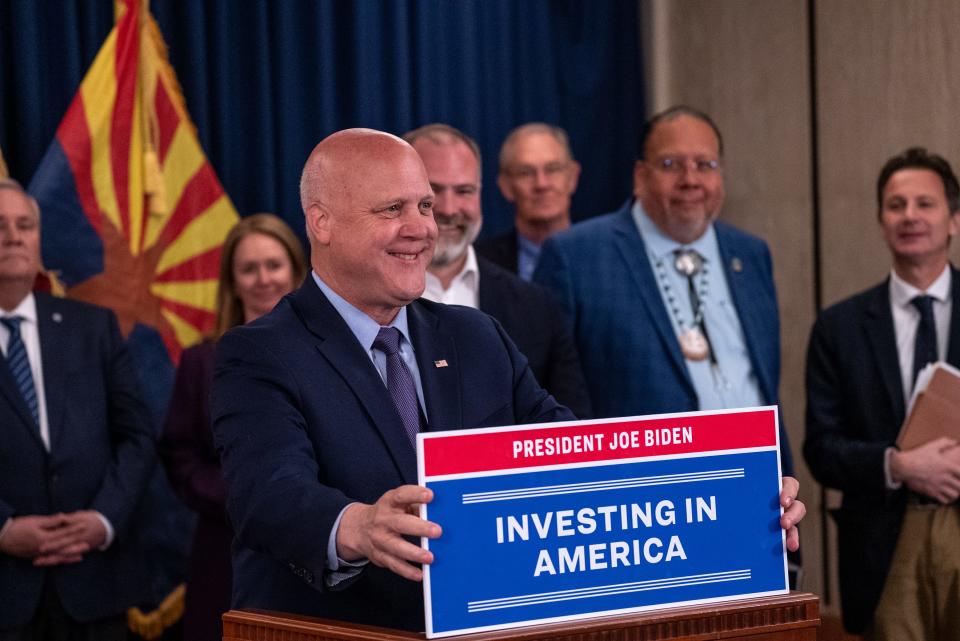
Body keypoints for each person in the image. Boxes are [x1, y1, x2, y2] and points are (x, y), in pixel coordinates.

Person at [210, 128, 805, 632]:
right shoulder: (258, 354)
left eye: (424, 206)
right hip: (341, 630)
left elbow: (574, 453)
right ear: (323, 223)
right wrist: (357, 526)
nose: (423, 227)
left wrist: (730, 498)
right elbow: (269, 496)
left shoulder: (476, 337)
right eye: (393, 209)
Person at [534, 105, 794, 477]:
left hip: (752, 485)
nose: (691, 180)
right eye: (672, 165)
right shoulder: (576, 256)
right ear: (640, 175)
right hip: (643, 497)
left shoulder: (750, 254)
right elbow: (549, 397)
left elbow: (765, 389)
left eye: (706, 165)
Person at [805, 147, 960, 638]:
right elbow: (821, 449)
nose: (910, 216)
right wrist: (896, 465)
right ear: (881, 220)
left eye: (925, 203)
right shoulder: (839, 327)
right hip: (883, 540)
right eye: (896, 205)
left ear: (954, 220)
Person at [0, 178, 155, 639]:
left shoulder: (93, 327)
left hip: (95, 587)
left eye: (25, 225)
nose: (13, 236)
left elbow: (138, 435)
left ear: (38, 238)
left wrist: (104, 519)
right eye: (0, 226)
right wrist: (2, 529)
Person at [160, 213, 307, 641]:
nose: (263, 278)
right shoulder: (202, 361)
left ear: (296, 271)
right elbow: (178, 454)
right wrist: (245, 497)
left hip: (318, 550)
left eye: (274, 265)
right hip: (226, 550)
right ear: (232, 280)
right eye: (249, 268)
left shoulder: (331, 357)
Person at [404, 123, 591, 418]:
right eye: (434, 191)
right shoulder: (371, 298)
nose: (450, 208)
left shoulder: (536, 304)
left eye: (464, 191)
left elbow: (567, 428)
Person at [477, 123, 581, 280]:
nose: (542, 184)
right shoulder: (480, 263)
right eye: (525, 173)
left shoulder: (602, 256)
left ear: (573, 177)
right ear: (506, 185)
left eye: (552, 169)